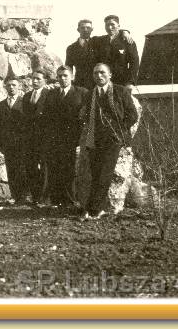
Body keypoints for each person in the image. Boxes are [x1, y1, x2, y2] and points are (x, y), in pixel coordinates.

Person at [79, 63, 139, 221]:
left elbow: (132, 115)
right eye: (96, 73)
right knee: (95, 174)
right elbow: (85, 115)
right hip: (94, 140)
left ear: (110, 74)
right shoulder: (90, 94)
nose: (99, 76)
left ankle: (94, 210)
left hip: (114, 140)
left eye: (102, 73)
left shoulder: (121, 91)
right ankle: (93, 208)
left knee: (104, 174)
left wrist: (118, 131)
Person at [49, 66, 89, 209]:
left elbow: (86, 116)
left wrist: (81, 140)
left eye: (65, 75)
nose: (62, 78)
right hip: (55, 139)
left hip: (74, 138)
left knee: (70, 170)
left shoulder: (81, 93)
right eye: (59, 76)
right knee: (55, 168)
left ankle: (70, 200)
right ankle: (56, 200)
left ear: (72, 77)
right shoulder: (52, 94)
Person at [21, 70, 54, 206]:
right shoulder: (27, 96)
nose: (34, 81)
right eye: (33, 79)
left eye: (38, 79)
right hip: (30, 138)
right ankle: (35, 196)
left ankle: (44, 198)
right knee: (31, 166)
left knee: (45, 167)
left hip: (45, 137)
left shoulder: (50, 95)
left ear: (45, 80)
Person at [0, 78, 27, 203]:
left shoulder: (24, 103)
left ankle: (23, 196)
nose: (11, 87)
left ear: (19, 86)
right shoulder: (1, 105)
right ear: (5, 87)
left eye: (14, 85)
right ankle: (15, 195)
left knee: (22, 168)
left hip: (22, 143)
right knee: (11, 169)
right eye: (9, 85)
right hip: (7, 143)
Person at [95, 15, 141, 88]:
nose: (110, 27)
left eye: (112, 24)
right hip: (105, 82)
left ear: (118, 26)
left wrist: (131, 82)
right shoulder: (100, 41)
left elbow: (134, 63)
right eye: (107, 25)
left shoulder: (127, 40)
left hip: (122, 82)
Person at [65, 19, 97, 91]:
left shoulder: (98, 43)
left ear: (92, 29)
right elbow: (68, 68)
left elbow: (110, 35)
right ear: (78, 30)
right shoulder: (71, 48)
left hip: (96, 83)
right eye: (82, 28)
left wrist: (124, 31)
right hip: (79, 83)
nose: (85, 30)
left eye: (88, 28)